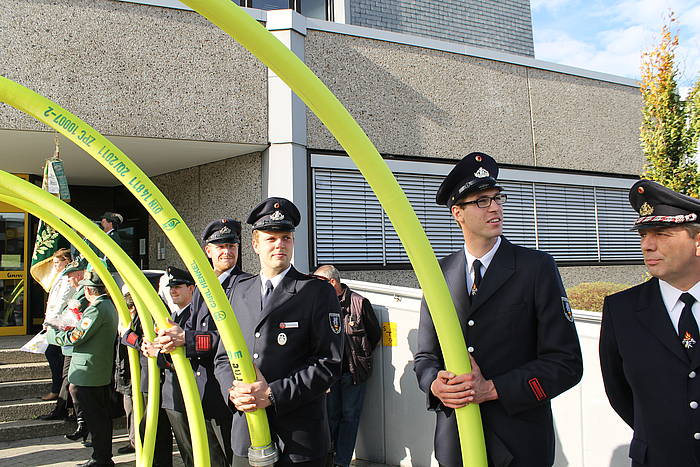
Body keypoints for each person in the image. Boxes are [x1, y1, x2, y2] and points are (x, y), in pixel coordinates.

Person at [413, 152, 583, 467]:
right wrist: (435, 385)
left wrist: (492, 389)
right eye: (481, 201)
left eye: (497, 197)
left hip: (520, 444)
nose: (494, 207)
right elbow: (425, 356)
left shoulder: (535, 268)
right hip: (456, 442)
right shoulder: (438, 274)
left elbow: (566, 363)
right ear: (457, 213)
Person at [214, 197, 343, 466]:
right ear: (255, 244)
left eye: (286, 238)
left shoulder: (317, 292)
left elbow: (328, 363)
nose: (279, 245)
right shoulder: (238, 291)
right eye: (270, 239)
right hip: (247, 432)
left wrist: (273, 394)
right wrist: (232, 392)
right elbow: (224, 356)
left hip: (299, 440)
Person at [600, 180, 700, 466]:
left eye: (662, 234)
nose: (647, 245)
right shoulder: (622, 310)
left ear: (698, 241)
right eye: (643, 234)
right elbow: (619, 392)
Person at [155, 218, 246, 467]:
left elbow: (234, 339)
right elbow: (191, 331)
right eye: (220, 246)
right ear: (208, 251)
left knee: (228, 457)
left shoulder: (245, 285)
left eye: (231, 246)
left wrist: (187, 339)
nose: (227, 251)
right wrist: (169, 342)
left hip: (227, 390)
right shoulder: (203, 288)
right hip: (201, 389)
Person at [46, 271, 118, 467]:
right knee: (99, 417)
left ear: (88, 290)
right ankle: (101, 456)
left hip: (89, 372)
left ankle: (101, 458)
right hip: (95, 370)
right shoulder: (107, 306)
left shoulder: (96, 309)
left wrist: (52, 335)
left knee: (96, 418)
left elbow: (76, 337)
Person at [313, 264, 382, 467]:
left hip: (353, 374)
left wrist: (360, 358)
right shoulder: (319, 304)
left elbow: (374, 335)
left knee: (350, 417)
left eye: (319, 282)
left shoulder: (359, 303)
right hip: (329, 375)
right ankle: (329, 458)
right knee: (330, 417)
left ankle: (341, 462)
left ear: (332, 282)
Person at [37, 256, 89, 423]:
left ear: (79, 275)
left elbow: (75, 317)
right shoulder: (79, 290)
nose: (68, 279)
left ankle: (67, 411)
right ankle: (66, 410)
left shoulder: (83, 292)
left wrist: (56, 328)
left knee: (68, 376)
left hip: (73, 341)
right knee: (67, 376)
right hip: (68, 340)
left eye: (70, 275)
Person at [156, 266, 197, 467]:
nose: (173, 290)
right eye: (171, 287)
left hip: (186, 392)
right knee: (185, 448)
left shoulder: (195, 316)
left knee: (194, 449)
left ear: (191, 288)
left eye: (178, 286)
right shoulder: (174, 317)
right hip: (173, 393)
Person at [42, 248, 74, 401]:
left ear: (66, 261)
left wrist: (50, 321)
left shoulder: (68, 278)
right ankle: (59, 388)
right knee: (54, 353)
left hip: (61, 322)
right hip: (55, 321)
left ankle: (57, 388)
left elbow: (61, 301)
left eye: (57, 263)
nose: (54, 266)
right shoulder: (60, 276)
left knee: (52, 353)